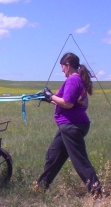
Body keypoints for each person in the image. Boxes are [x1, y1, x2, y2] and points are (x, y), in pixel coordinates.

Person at [36, 52, 102, 198]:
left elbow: (67, 103)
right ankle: (41, 188)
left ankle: (97, 192)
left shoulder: (73, 80)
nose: (61, 70)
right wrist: (49, 99)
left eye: (62, 67)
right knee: (53, 156)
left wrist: (50, 96)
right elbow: (63, 101)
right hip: (68, 126)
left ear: (68, 65)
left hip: (72, 126)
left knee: (80, 161)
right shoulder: (75, 80)